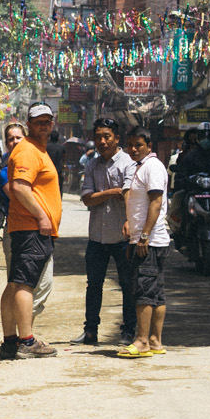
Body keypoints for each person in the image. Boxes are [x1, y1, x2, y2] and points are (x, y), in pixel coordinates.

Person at [0, 104, 61, 359]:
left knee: (16, 284)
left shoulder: (37, 149)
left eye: (47, 121)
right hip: (31, 228)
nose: (43, 125)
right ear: (29, 123)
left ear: (52, 124)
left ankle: (11, 341)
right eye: (38, 122)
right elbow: (20, 188)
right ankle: (26, 341)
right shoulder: (27, 150)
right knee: (25, 284)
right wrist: (42, 216)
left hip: (27, 228)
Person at [77, 117, 137, 347]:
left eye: (107, 136)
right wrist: (112, 192)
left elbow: (128, 193)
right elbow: (86, 199)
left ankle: (129, 331)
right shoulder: (91, 164)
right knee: (94, 285)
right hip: (97, 236)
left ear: (116, 138)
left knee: (127, 285)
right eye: (98, 137)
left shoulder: (128, 163)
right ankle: (90, 331)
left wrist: (103, 195)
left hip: (123, 235)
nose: (102, 141)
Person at [120, 127, 171, 357]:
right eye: (130, 145)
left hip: (150, 240)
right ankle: (155, 341)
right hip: (147, 238)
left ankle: (142, 341)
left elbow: (156, 202)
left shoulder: (152, 166)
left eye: (138, 145)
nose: (133, 149)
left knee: (144, 290)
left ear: (149, 146)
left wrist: (144, 236)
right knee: (156, 291)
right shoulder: (141, 166)